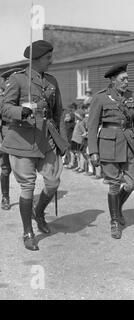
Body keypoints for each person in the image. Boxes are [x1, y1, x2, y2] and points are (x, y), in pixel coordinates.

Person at [0, 40, 68, 251]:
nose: (51, 61)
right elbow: (4, 107)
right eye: (48, 58)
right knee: (27, 186)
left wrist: (62, 142)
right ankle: (28, 231)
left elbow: (59, 113)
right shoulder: (18, 79)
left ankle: (39, 213)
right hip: (23, 140)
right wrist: (22, 112)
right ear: (36, 59)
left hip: (46, 140)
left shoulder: (52, 81)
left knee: (53, 183)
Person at [88, 63, 134, 239]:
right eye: (122, 79)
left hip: (129, 143)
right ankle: (115, 222)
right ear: (112, 80)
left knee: (132, 183)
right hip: (108, 144)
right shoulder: (101, 98)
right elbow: (92, 126)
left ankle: (116, 209)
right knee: (114, 184)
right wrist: (93, 151)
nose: (126, 82)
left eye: (127, 79)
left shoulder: (131, 96)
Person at [0, 68, 24, 210]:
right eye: (9, 80)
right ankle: (5, 197)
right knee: (5, 168)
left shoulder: (24, 97)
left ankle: (27, 198)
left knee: (25, 169)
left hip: (23, 135)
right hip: (6, 134)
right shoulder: (1, 99)